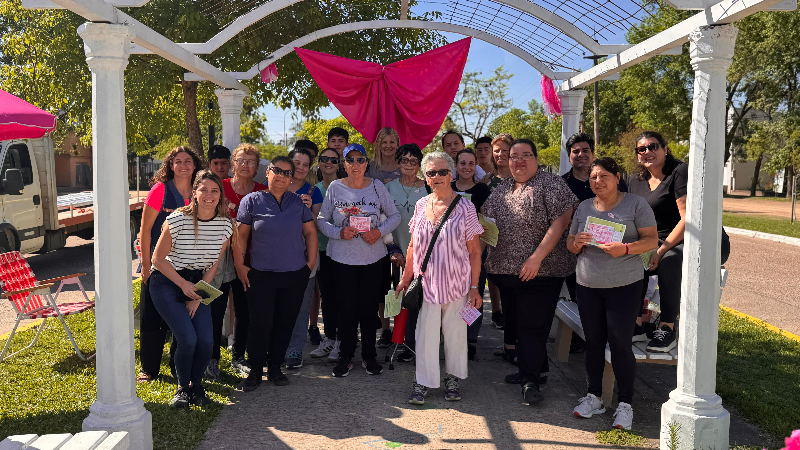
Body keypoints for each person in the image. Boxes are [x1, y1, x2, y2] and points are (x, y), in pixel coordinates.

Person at [483, 139, 578, 404]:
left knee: (532, 327)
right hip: (507, 274)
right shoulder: (501, 189)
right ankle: (535, 368)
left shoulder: (550, 183)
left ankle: (530, 382)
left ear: (536, 158)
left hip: (541, 272)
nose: (519, 160)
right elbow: (486, 223)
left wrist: (536, 258)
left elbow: (562, 221)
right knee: (517, 324)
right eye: (514, 156)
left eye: (526, 155)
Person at [567, 157, 658, 430]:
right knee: (593, 342)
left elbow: (652, 241)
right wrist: (577, 241)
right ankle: (594, 396)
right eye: (593, 177)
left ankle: (625, 404)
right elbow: (571, 245)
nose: (598, 181)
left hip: (624, 286)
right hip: (587, 285)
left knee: (620, 344)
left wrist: (626, 249)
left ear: (617, 177)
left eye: (604, 175)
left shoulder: (635, 204)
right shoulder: (584, 207)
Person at [395, 151, 483, 405]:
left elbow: (475, 251)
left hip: (458, 284)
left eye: (442, 171)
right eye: (431, 173)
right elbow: (413, 246)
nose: (437, 177)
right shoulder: (422, 205)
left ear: (452, 174)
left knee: (455, 336)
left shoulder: (466, 206)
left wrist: (475, 287)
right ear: (425, 177)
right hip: (428, 284)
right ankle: (422, 381)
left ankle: (452, 379)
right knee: (425, 335)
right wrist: (405, 278)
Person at [149, 170, 235, 407]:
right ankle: (181, 388)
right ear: (195, 193)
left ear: (220, 196)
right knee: (187, 339)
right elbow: (157, 259)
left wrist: (197, 295)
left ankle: (196, 386)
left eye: (214, 191)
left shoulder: (226, 226)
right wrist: (184, 286)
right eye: (204, 190)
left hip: (198, 283)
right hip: (167, 280)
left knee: (207, 340)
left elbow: (214, 264)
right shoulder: (177, 219)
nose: (209, 195)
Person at [317, 143, 400, 378]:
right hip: (341, 259)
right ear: (344, 164)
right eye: (350, 160)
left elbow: (394, 216)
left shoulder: (376, 187)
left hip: (373, 258)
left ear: (366, 164)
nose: (355, 165)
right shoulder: (334, 187)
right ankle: (345, 356)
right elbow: (322, 220)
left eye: (360, 160)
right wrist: (338, 232)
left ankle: (369, 356)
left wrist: (379, 231)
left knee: (368, 309)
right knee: (346, 310)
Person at [235, 156, 317, 390]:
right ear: (268, 172)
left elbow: (310, 232)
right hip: (260, 275)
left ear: (292, 177)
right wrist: (240, 265)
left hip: (294, 275)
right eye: (277, 171)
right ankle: (254, 370)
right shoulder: (251, 201)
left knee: (284, 322)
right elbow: (240, 236)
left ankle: (275, 367)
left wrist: (309, 263)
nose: (282, 176)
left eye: (287, 173)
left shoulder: (298, 203)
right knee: (260, 324)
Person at [137, 146, 202, 383]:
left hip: (188, 268)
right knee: (152, 320)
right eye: (178, 161)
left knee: (183, 319)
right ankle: (149, 368)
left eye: (188, 161)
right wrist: (145, 265)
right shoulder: (161, 190)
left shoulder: (200, 191)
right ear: (171, 165)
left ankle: (179, 367)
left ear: (195, 165)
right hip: (158, 267)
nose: (183, 165)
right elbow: (144, 231)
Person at [561, 133, 628, 354]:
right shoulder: (561, 184)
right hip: (576, 252)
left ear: (592, 153)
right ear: (569, 155)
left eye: (585, 150)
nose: (581, 155)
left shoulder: (613, 181)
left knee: (610, 299)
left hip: (611, 250)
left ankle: (611, 340)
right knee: (582, 299)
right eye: (575, 151)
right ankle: (586, 339)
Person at [627, 131, 687, 353]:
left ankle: (668, 327)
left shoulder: (679, 172)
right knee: (632, 258)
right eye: (642, 149)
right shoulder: (636, 180)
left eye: (653, 147)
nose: (647, 152)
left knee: (669, 260)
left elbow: (687, 218)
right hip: (655, 239)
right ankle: (637, 324)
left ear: (665, 148)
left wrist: (660, 251)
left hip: (687, 237)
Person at [222, 144, 267, 376]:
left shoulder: (263, 191)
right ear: (233, 163)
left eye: (251, 161)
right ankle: (210, 357)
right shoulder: (220, 188)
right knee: (215, 308)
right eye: (241, 160)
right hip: (218, 260)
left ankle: (239, 355)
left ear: (257, 167)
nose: (246, 165)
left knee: (244, 309)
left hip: (250, 259)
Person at [384, 144, 427, 361]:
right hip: (396, 254)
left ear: (420, 164)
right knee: (401, 299)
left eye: (413, 161)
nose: (409, 164)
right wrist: (393, 249)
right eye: (404, 160)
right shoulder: (388, 187)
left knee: (420, 300)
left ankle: (416, 345)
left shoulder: (430, 186)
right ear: (398, 163)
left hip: (425, 256)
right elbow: (383, 220)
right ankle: (399, 342)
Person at [285, 148, 324, 369]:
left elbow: (317, 226)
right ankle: (277, 347)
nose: (300, 168)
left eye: (305, 164)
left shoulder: (314, 191)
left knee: (301, 305)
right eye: (296, 163)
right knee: (279, 305)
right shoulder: (276, 186)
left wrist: (310, 211)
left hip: (305, 255)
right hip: (276, 256)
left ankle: (295, 350)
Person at [451, 149, 492, 359]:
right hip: (449, 255)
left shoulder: (482, 190)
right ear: (456, 165)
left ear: (475, 166)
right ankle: (452, 337)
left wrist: (478, 253)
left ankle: (470, 339)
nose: (466, 167)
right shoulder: (448, 187)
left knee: (473, 297)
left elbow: (485, 224)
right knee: (451, 298)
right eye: (462, 163)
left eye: (471, 163)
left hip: (475, 253)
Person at [202, 144, 237, 381]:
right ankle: (210, 359)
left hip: (234, 262)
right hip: (208, 264)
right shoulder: (206, 188)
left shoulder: (234, 187)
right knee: (210, 312)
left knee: (236, 309)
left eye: (224, 163)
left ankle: (236, 353)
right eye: (216, 163)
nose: (220, 167)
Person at [310, 148, 342, 360]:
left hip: (346, 250)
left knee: (345, 297)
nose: (328, 162)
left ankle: (343, 340)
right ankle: (330, 339)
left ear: (339, 163)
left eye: (333, 159)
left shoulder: (348, 186)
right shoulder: (315, 190)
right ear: (318, 163)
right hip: (323, 249)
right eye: (324, 159)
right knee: (328, 297)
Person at [486, 133, 513, 333]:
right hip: (490, 236)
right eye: (497, 151)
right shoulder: (486, 180)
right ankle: (497, 312)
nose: (500, 154)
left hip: (515, 238)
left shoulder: (521, 178)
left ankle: (510, 313)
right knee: (493, 275)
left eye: (505, 150)